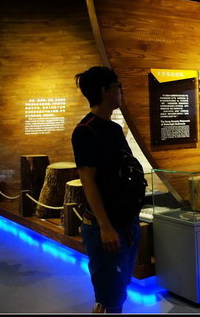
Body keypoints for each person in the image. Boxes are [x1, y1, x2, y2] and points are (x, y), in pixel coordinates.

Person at [71, 67, 140, 313]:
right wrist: (105, 226)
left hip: (126, 222)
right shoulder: (85, 131)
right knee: (109, 294)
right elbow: (88, 180)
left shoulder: (113, 128)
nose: (121, 91)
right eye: (118, 86)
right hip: (106, 226)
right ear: (105, 90)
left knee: (120, 287)